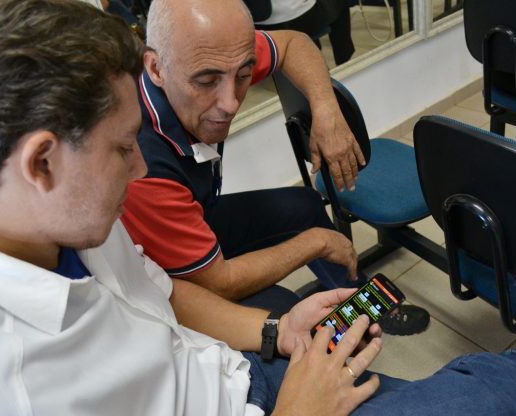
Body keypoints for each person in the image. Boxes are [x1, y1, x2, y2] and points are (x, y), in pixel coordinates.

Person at [0, 1, 516, 415]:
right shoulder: (0, 385)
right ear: (41, 163)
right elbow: (206, 279)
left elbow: (160, 293)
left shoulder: (59, 219)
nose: (134, 167)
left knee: (446, 386)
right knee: (486, 395)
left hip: (229, 366)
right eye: (119, 150)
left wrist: (275, 330)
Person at [119, 0, 429, 334]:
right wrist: (316, 243)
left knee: (304, 206)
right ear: (155, 69)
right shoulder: (142, 164)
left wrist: (327, 111)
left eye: (243, 76)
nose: (231, 103)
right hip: (163, 281)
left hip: (194, 212)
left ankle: (363, 309)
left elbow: (295, 43)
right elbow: (219, 282)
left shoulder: (215, 53)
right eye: (207, 81)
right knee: (280, 311)